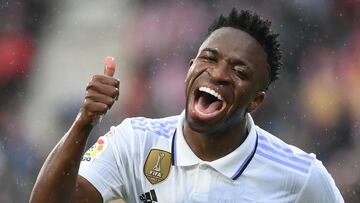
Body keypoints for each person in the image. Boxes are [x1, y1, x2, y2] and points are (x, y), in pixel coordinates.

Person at [30, 9, 344, 203]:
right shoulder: (135, 141)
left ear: (256, 101)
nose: (218, 73)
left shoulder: (300, 176)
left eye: (239, 71)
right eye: (209, 58)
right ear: (190, 68)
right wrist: (84, 121)